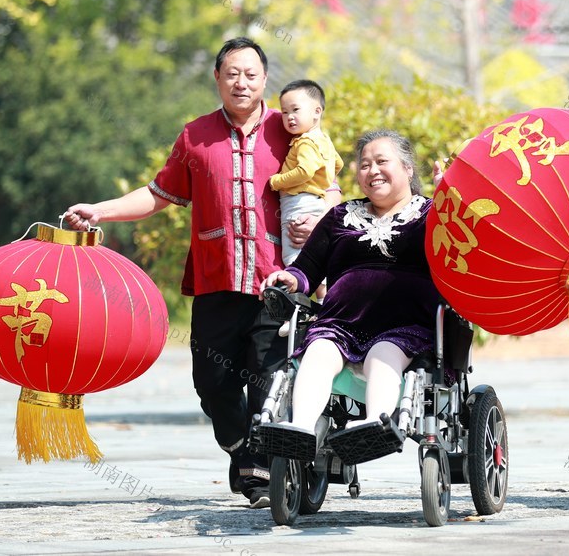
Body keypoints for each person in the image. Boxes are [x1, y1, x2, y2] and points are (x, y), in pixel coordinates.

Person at [64, 37, 340, 509]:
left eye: (251, 74)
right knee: (212, 384)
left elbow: (328, 188)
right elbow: (158, 194)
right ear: (217, 78)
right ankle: (242, 449)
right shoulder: (195, 136)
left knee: (270, 377)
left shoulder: (290, 129)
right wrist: (101, 211)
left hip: (280, 281)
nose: (241, 82)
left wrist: (322, 219)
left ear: (264, 81)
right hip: (216, 281)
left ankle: (265, 474)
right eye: (232, 73)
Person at [258, 130, 440, 460]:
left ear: (408, 169)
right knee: (317, 353)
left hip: (404, 324)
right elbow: (308, 268)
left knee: (382, 357)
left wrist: (449, 203)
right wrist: (291, 276)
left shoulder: (431, 214)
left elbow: (461, 250)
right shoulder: (341, 215)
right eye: (365, 164)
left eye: (382, 162)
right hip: (341, 322)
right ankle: (300, 430)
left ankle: (374, 426)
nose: (372, 171)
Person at [270, 79, 343, 304]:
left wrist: (277, 181)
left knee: (294, 256)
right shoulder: (324, 140)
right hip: (316, 201)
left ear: (316, 112)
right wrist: (323, 180)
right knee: (314, 253)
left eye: (295, 110)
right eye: (284, 112)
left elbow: (304, 170)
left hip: (298, 202)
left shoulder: (304, 142)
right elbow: (338, 164)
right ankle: (322, 300)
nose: (289, 117)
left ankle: (295, 309)